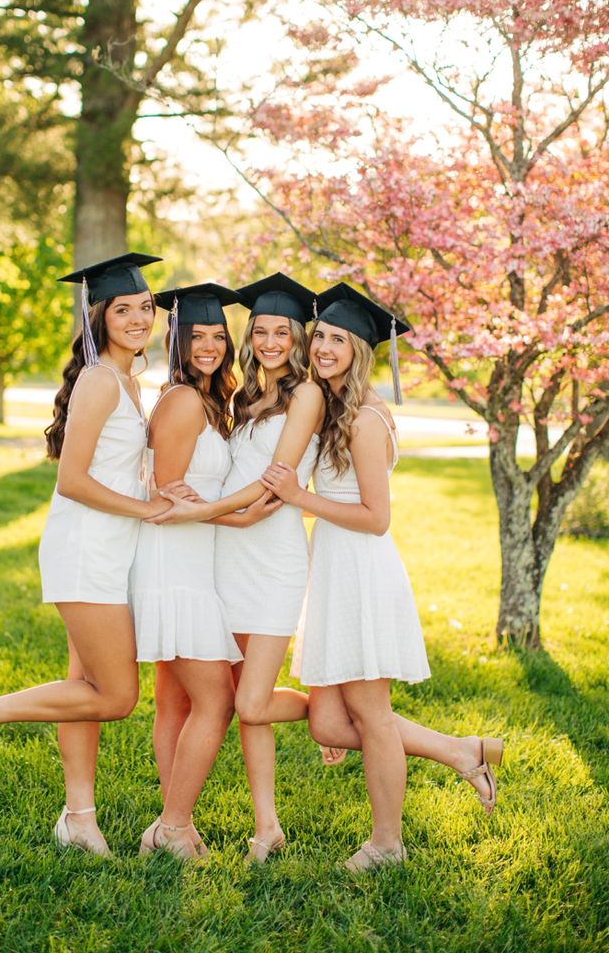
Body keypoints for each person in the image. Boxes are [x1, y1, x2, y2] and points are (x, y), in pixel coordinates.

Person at [0, 252, 169, 857]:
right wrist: (146, 509)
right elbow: (73, 480)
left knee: (81, 684)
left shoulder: (129, 379)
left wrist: (152, 495)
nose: (138, 319)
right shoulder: (100, 379)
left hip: (109, 549)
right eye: (123, 309)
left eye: (145, 307)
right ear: (99, 316)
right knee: (116, 695)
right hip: (86, 550)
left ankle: (79, 818)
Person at [262, 282, 505, 872]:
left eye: (337, 340)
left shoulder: (367, 419)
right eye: (320, 336)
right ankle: (461, 750)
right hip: (334, 568)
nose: (322, 348)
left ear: (361, 350)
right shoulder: (331, 406)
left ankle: (387, 844)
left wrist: (301, 497)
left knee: (371, 717)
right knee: (327, 720)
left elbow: (376, 518)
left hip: (361, 570)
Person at [157, 273, 324, 862]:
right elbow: (235, 486)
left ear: (299, 337)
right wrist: (218, 520)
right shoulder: (242, 398)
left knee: (250, 702)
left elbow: (270, 484)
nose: (271, 341)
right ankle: (267, 828)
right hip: (226, 563)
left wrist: (202, 514)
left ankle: (330, 712)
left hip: (273, 559)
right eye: (261, 331)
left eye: (282, 331)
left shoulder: (307, 395)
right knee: (240, 702)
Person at [130, 283, 254, 859]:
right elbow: (161, 500)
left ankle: (169, 823)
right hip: (172, 569)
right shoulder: (182, 401)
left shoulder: (207, 400)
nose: (208, 346)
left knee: (175, 703)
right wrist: (240, 511)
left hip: (192, 566)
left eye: (217, 336)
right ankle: (175, 825)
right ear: (177, 340)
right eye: (196, 336)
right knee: (217, 702)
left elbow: (187, 495)